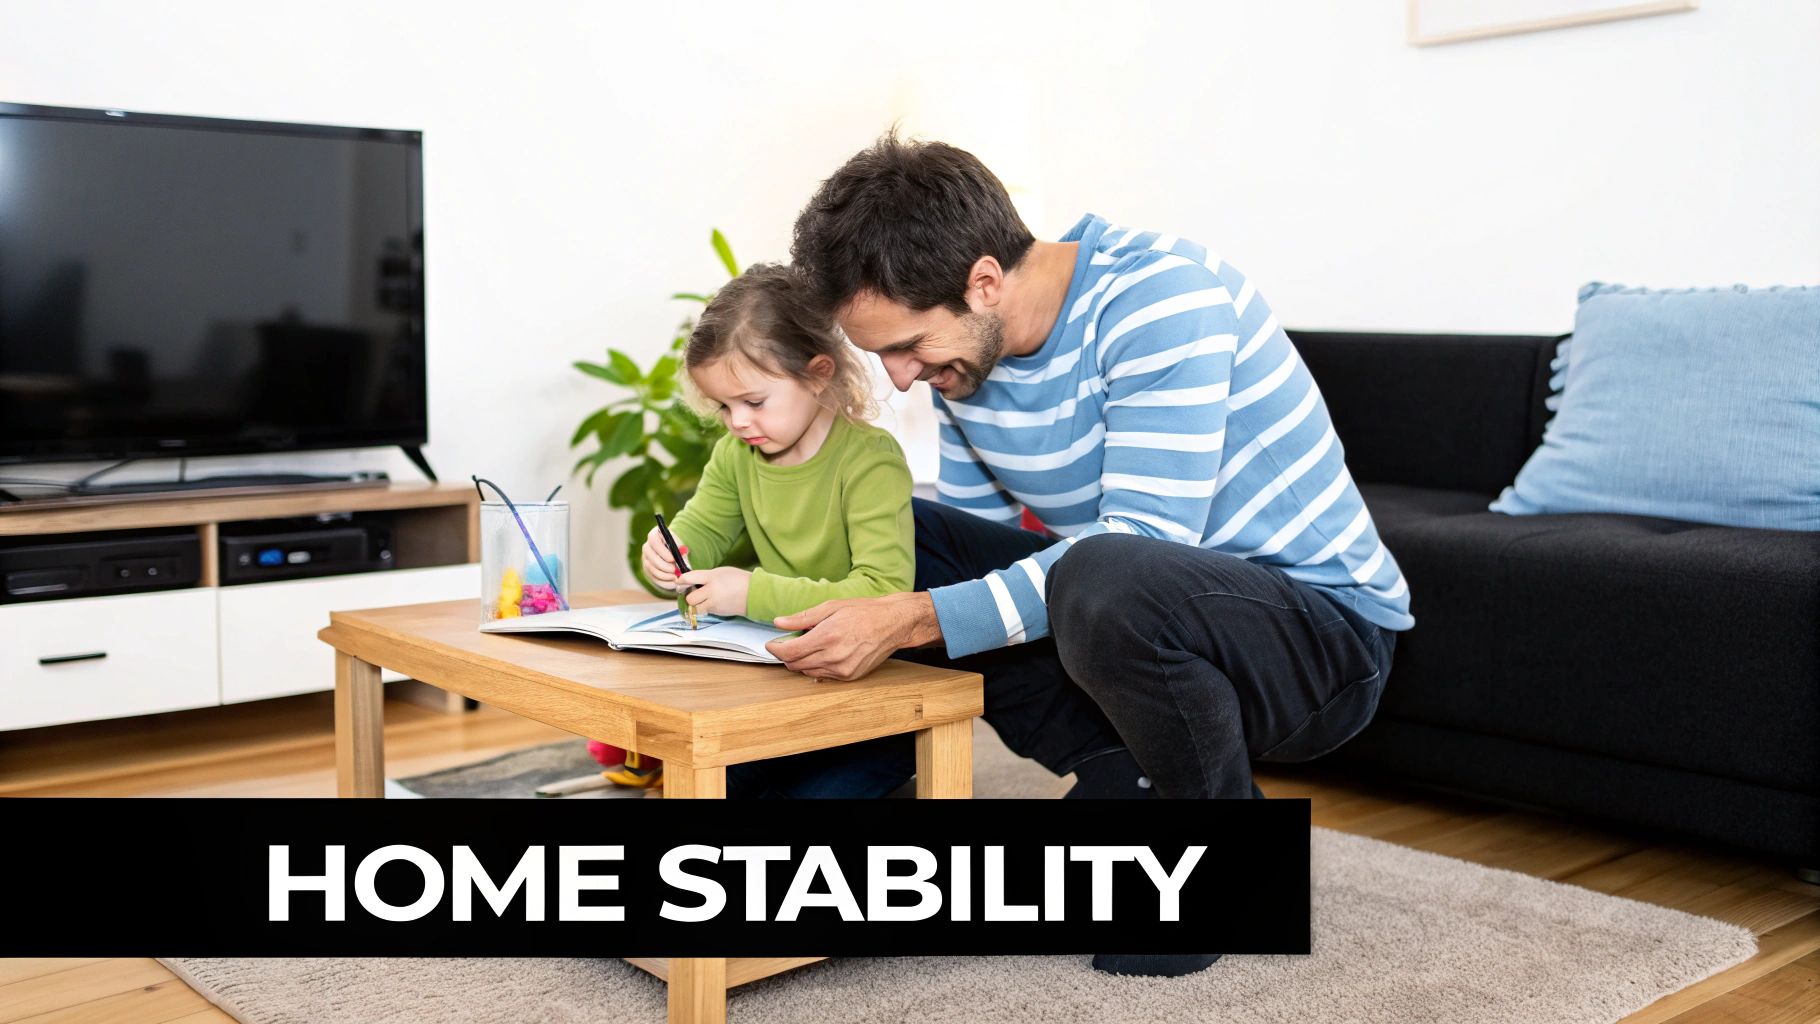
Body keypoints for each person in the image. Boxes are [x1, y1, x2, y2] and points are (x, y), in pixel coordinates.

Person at [756, 134, 1413, 972]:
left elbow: (1141, 541)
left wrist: (914, 618)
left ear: (984, 282)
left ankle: (1215, 872)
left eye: (908, 346)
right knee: (903, 533)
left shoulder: (1162, 296)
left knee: (1104, 572)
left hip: (1323, 642)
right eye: (880, 352)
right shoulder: (969, 357)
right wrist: (905, 602)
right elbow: (968, 557)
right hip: (1147, 624)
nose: (899, 380)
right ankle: (1128, 771)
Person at [642, 262, 915, 652]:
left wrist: (753, 594)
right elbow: (700, 532)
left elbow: (884, 593)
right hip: (770, 657)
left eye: (754, 401)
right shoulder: (735, 454)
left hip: (857, 665)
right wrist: (669, 558)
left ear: (818, 374)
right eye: (722, 405)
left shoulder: (869, 460)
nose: (736, 421)